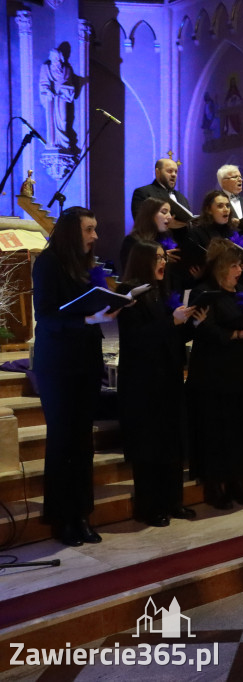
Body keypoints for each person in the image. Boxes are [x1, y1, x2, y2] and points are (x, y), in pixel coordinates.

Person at [33, 207, 120, 546]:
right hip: (57, 364)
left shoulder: (86, 267)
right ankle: (61, 519)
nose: (95, 236)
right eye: (89, 229)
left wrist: (110, 308)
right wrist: (87, 320)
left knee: (83, 442)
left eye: (95, 229)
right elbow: (47, 317)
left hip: (85, 361)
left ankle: (82, 514)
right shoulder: (48, 263)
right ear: (72, 231)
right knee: (62, 441)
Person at [117, 241, 200, 527]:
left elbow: (173, 336)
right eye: (156, 258)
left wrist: (192, 322)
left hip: (169, 375)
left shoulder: (164, 291)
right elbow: (136, 338)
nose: (162, 262)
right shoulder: (128, 294)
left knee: (171, 442)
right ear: (142, 262)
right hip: (143, 381)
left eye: (164, 257)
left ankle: (173, 501)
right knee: (149, 446)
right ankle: (149, 507)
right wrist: (171, 323)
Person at [187, 238, 243, 510]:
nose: (239, 270)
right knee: (216, 429)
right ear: (221, 267)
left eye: (240, 265)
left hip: (240, 369)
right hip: (213, 371)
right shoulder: (204, 292)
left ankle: (237, 480)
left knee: (239, 427)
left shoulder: (242, 291)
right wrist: (237, 333)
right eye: (234, 265)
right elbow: (202, 329)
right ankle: (214, 485)